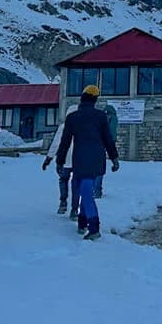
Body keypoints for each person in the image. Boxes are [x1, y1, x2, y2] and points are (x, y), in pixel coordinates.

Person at [51, 85, 120, 240]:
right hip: (98, 160)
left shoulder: (73, 117)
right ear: (95, 100)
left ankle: (94, 227)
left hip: (81, 160)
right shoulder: (101, 116)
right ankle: (82, 223)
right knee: (85, 190)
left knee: (86, 193)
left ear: (82, 98)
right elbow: (108, 139)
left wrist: (59, 161)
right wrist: (114, 158)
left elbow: (65, 142)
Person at [43, 104, 79, 219]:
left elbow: (56, 143)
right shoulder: (83, 126)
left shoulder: (64, 126)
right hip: (79, 161)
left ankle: (63, 202)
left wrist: (49, 158)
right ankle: (74, 209)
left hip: (64, 161)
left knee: (63, 180)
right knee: (76, 184)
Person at [94, 101, 119, 199]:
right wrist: (115, 160)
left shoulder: (99, 119)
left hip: (92, 145)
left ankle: (92, 190)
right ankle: (97, 191)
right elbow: (111, 135)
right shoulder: (113, 119)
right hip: (103, 145)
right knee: (99, 169)